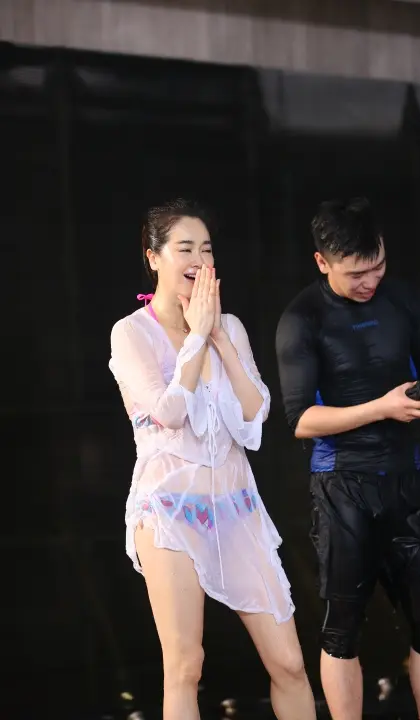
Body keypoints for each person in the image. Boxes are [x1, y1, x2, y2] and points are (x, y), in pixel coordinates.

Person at [109, 199, 316, 720]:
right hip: (169, 509)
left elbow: (255, 413)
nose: (199, 260)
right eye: (185, 249)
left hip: (236, 506)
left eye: (206, 249)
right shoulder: (131, 333)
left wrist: (218, 337)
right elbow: (168, 413)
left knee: (290, 662)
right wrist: (196, 337)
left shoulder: (231, 327)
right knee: (185, 666)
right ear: (153, 256)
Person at [275, 197, 420, 720]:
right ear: (322, 262)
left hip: (406, 477)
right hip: (343, 486)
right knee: (343, 629)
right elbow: (300, 420)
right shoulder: (302, 319)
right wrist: (381, 407)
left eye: (377, 266)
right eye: (356, 273)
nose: (370, 282)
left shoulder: (402, 298)